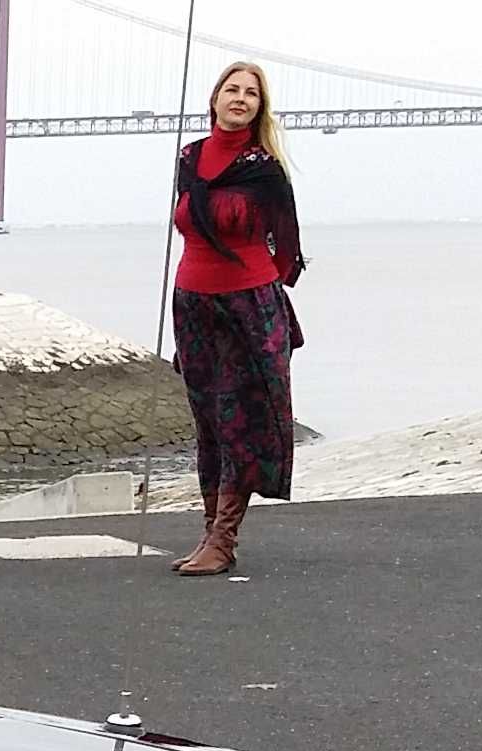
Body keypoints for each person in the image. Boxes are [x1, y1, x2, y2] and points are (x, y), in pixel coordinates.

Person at [166, 60, 309, 579]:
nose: (241, 98)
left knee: (239, 421)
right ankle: (209, 533)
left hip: (248, 305)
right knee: (207, 420)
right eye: (233, 89)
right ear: (215, 98)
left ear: (259, 107)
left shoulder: (264, 169)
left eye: (251, 93)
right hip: (192, 302)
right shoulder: (189, 157)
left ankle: (224, 541)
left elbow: (288, 249)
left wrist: (257, 289)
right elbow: (187, 223)